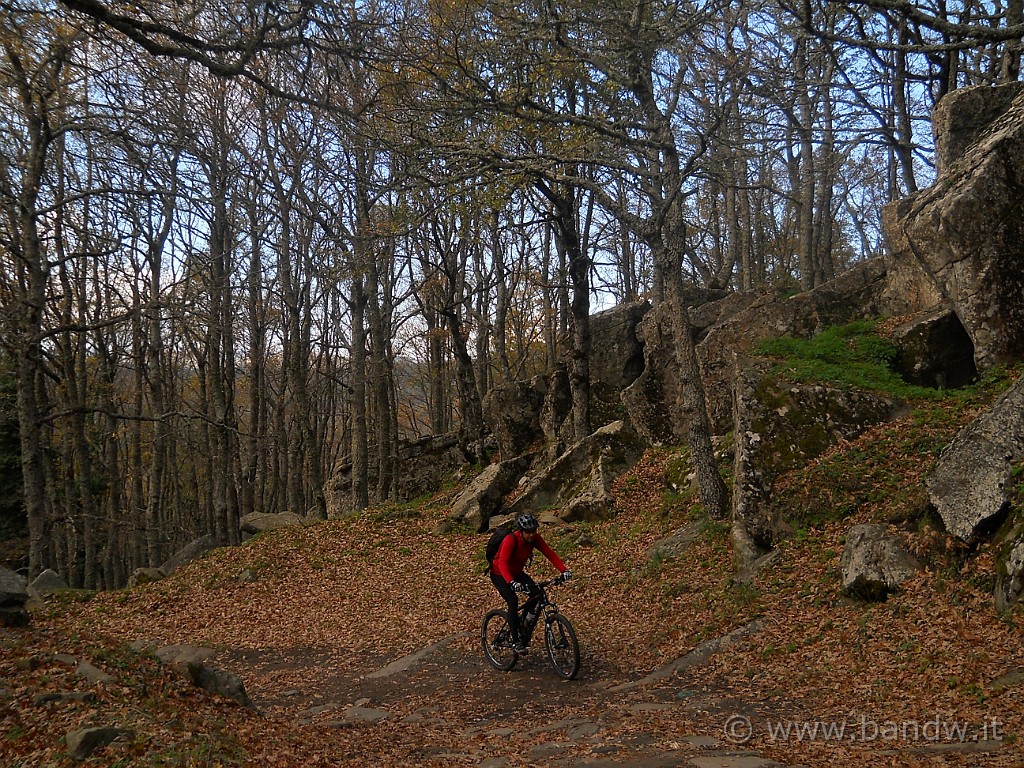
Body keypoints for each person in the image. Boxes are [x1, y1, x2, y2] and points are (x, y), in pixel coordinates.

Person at [489, 511, 571, 653]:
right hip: (499, 574)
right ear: (521, 531)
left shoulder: (535, 539)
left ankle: (524, 622)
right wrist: (512, 582)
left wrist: (564, 570)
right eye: (528, 532)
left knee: (536, 594)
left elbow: (549, 554)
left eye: (533, 531)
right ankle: (515, 642)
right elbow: (502, 562)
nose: (531, 534)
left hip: (516, 572)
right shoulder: (511, 540)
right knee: (513, 601)